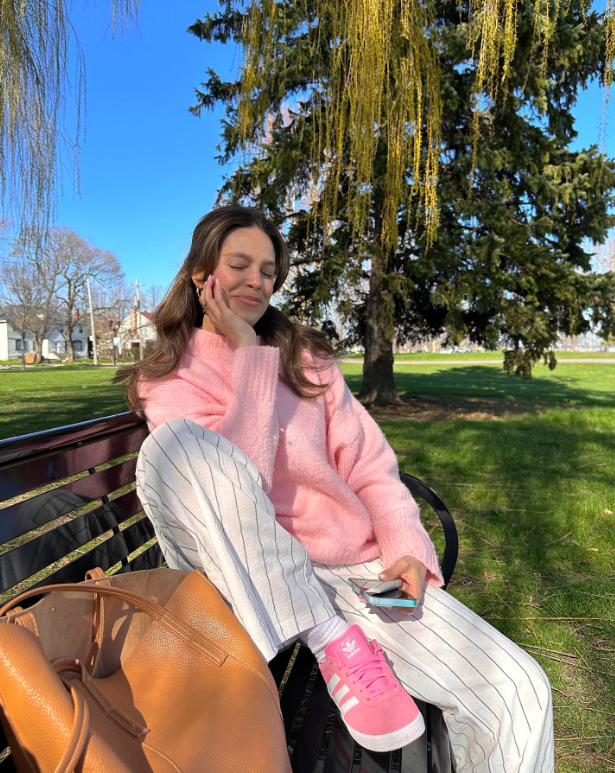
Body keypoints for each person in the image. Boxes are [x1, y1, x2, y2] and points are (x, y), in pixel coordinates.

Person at [115, 205, 554, 770]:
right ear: (202, 275)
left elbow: (369, 462)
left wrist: (408, 549)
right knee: (181, 446)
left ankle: (341, 639)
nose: (256, 282)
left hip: (354, 574)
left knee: (519, 689)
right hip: (249, 584)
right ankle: (329, 638)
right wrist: (247, 357)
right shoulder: (168, 380)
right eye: (239, 265)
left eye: (268, 271)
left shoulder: (305, 359)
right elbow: (235, 481)